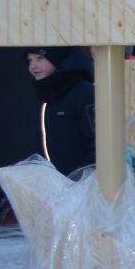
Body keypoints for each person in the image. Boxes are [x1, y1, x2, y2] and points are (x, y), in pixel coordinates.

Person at [24, 46, 95, 176]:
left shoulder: (84, 93)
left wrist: (88, 176)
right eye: (30, 60)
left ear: (58, 59)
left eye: (39, 58)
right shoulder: (46, 94)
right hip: (54, 181)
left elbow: (97, 140)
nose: (33, 66)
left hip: (82, 182)